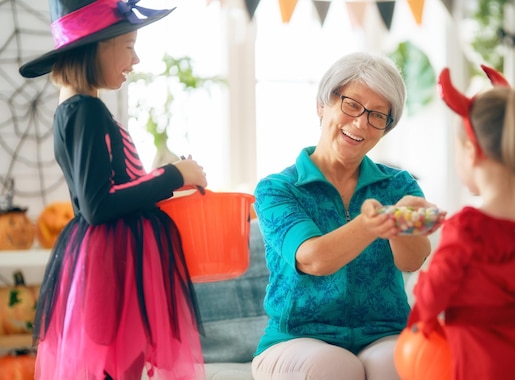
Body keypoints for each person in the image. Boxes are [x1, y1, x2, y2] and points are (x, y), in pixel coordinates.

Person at [19, 1, 207, 379]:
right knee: (114, 366)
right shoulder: (85, 111)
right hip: (111, 260)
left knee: (121, 367)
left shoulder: (80, 109)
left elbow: (115, 186)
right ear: (96, 47)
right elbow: (98, 204)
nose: (135, 59)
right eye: (128, 46)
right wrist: (173, 174)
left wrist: (170, 178)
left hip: (114, 255)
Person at [251, 51, 443, 380]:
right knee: (336, 367)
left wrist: (401, 221)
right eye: (352, 104)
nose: (360, 123)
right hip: (297, 339)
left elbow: (412, 261)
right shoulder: (278, 189)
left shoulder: (398, 185)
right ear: (322, 104)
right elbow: (313, 259)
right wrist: (373, 223)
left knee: (402, 364)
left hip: (383, 332)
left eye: (377, 116)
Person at [407, 65, 515, 380]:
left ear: (472, 151)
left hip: (479, 356)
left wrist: (419, 319)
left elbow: (433, 294)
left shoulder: (467, 226)